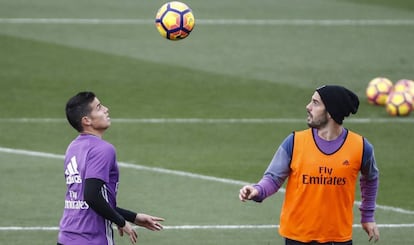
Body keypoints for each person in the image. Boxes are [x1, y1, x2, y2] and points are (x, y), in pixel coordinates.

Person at [239, 85, 380, 245]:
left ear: (331, 112)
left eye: (315, 103)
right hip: (297, 237)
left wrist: (367, 216)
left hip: (337, 238)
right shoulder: (294, 142)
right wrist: (258, 190)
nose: (308, 107)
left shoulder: (360, 147)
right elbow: (273, 178)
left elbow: (371, 179)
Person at [57, 91, 164, 245]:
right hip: (91, 239)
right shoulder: (103, 149)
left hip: (67, 238)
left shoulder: (73, 148)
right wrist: (120, 222)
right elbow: (92, 196)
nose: (106, 109)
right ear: (86, 120)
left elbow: (88, 202)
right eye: (99, 107)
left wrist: (133, 217)